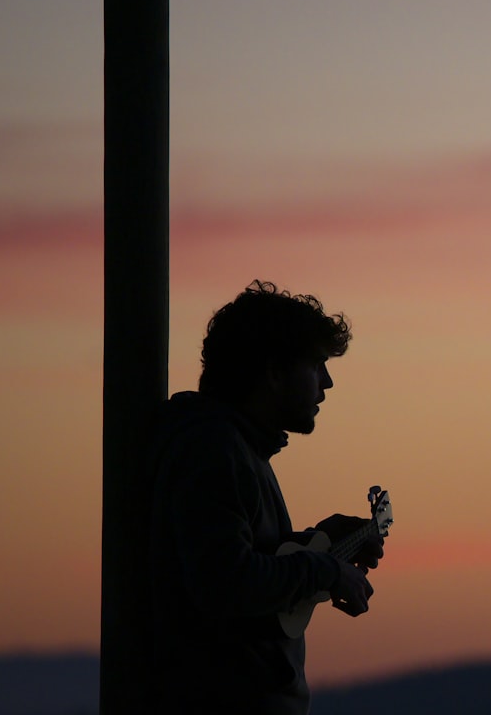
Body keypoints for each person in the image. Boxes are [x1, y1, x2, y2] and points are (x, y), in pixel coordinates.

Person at [147, 280, 383, 714]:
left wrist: (323, 539)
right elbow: (224, 583)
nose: (327, 383)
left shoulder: (235, 450)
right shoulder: (215, 452)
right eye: (315, 365)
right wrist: (326, 571)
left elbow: (246, 564)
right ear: (273, 371)